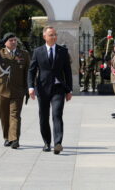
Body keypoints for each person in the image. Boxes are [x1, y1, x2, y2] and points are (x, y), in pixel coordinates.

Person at [28, 26, 73, 154]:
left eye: (55, 35)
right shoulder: (37, 51)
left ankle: (58, 143)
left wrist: (69, 90)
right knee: (43, 117)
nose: (53, 37)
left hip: (58, 88)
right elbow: (31, 71)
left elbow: (67, 72)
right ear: (44, 37)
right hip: (42, 89)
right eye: (51, 35)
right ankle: (47, 142)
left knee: (57, 114)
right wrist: (31, 87)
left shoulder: (63, 51)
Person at [0, 33, 30, 149]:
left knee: (15, 115)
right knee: (4, 115)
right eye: (11, 40)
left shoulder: (24, 54)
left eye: (15, 40)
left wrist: (28, 88)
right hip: (2, 89)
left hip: (18, 90)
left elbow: (27, 73)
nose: (14, 42)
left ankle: (14, 139)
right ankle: (7, 137)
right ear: (5, 42)